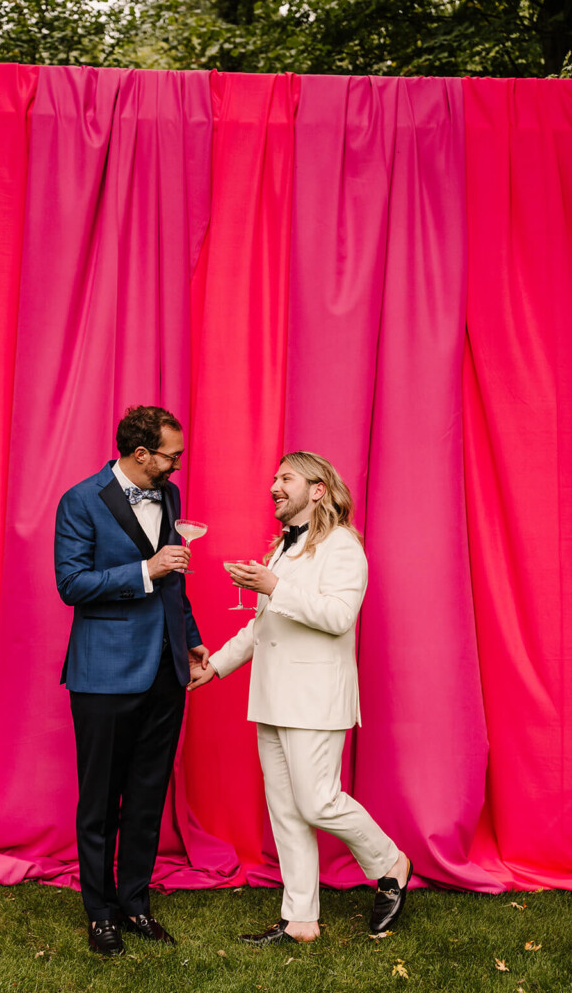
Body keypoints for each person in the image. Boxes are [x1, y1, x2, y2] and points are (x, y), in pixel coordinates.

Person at [189, 451, 412, 944]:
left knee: (317, 803)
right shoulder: (282, 550)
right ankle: (301, 920)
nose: (274, 485)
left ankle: (390, 862)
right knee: (286, 811)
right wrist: (216, 665)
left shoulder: (343, 546)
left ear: (317, 489)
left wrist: (275, 585)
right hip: (271, 696)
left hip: (316, 697)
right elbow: (263, 627)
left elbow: (338, 617)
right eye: (274, 477)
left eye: (286, 478)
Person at [55, 405, 207, 956]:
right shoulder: (80, 500)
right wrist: (146, 570)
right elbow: (71, 584)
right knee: (100, 801)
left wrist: (189, 638)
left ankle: (136, 902)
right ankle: (100, 914)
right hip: (104, 673)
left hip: (165, 670)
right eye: (171, 456)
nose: (177, 466)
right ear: (141, 454)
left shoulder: (169, 496)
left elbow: (175, 581)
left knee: (147, 795)